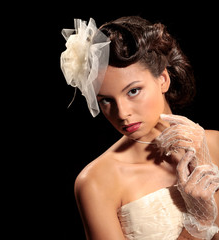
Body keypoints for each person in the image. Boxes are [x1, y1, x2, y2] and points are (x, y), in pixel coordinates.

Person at [60, 16, 219, 240]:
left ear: (163, 79)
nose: (122, 113)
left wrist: (204, 162)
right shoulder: (96, 182)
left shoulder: (215, 144)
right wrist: (199, 223)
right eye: (106, 100)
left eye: (133, 91)